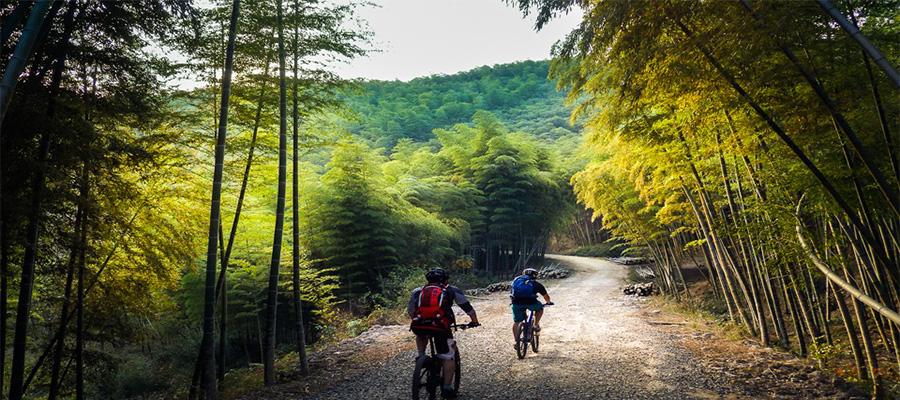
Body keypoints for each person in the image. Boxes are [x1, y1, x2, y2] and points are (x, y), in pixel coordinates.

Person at [408, 267, 479, 399]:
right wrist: (474, 321)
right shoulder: (451, 290)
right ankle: (447, 388)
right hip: (440, 327)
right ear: (445, 279)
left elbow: (411, 310)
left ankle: (421, 356)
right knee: (448, 355)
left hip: (420, 325)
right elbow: (468, 309)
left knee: (421, 333)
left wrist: (421, 320)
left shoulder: (418, 291)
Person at [510, 268, 552, 349]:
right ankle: (535, 325)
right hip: (531, 303)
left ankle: (517, 342)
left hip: (516, 303)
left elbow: (511, 292)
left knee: (517, 322)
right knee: (540, 309)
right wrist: (548, 302)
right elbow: (546, 297)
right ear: (535, 275)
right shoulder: (536, 284)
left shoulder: (516, 281)